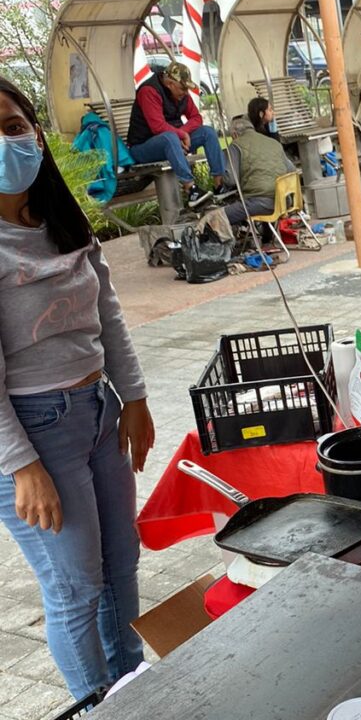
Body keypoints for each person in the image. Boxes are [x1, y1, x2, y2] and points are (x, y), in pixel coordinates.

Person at [0, 77, 154, 701]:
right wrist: (21, 466)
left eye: (11, 126)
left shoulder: (61, 219)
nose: (6, 141)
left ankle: (135, 690)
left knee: (121, 564)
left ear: (35, 132)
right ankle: (98, 706)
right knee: (74, 587)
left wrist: (135, 397)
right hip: (33, 433)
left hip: (97, 410)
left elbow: (107, 315)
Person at [126, 62, 228, 209]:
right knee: (169, 138)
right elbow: (158, 127)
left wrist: (183, 133)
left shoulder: (181, 94)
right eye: (182, 88)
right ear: (169, 83)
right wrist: (180, 134)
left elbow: (196, 117)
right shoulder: (149, 91)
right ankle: (191, 190)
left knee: (208, 132)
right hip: (143, 147)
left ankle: (219, 185)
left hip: (175, 141)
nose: (186, 92)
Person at [220, 115, 297, 226]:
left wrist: (221, 178)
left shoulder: (236, 145)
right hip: (286, 201)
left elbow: (231, 180)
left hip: (262, 204)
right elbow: (291, 170)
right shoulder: (274, 143)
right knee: (259, 197)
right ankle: (266, 239)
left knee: (220, 217)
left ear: (234, 134)